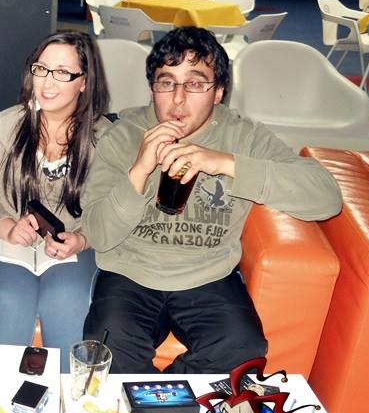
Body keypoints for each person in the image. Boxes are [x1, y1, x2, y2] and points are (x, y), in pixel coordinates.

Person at [82, 27, 342, 373]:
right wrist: (140, 169)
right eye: (166, 82)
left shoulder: (243, 136)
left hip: (208, 274)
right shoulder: (123, 135)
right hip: (130, 272)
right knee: (106, 351)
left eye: (194, 84)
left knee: (243, 350)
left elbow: (326, 197)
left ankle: (165, 398)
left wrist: (226, 164)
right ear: (152, 89)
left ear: (218, 91)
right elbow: (98, 235)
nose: (178, 99)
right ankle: (153, 400)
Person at [0, 31, 111, 371]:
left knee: (67, 300)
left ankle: (69, 398)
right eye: (41, 69)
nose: (47, 82)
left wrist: (82, 239)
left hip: (74, 245)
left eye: (62, 72)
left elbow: (112, 209)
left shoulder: (104, 138)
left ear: (84, 82)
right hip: (2, 236)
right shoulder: (7, 125)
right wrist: (5, 225)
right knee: (10, 300)